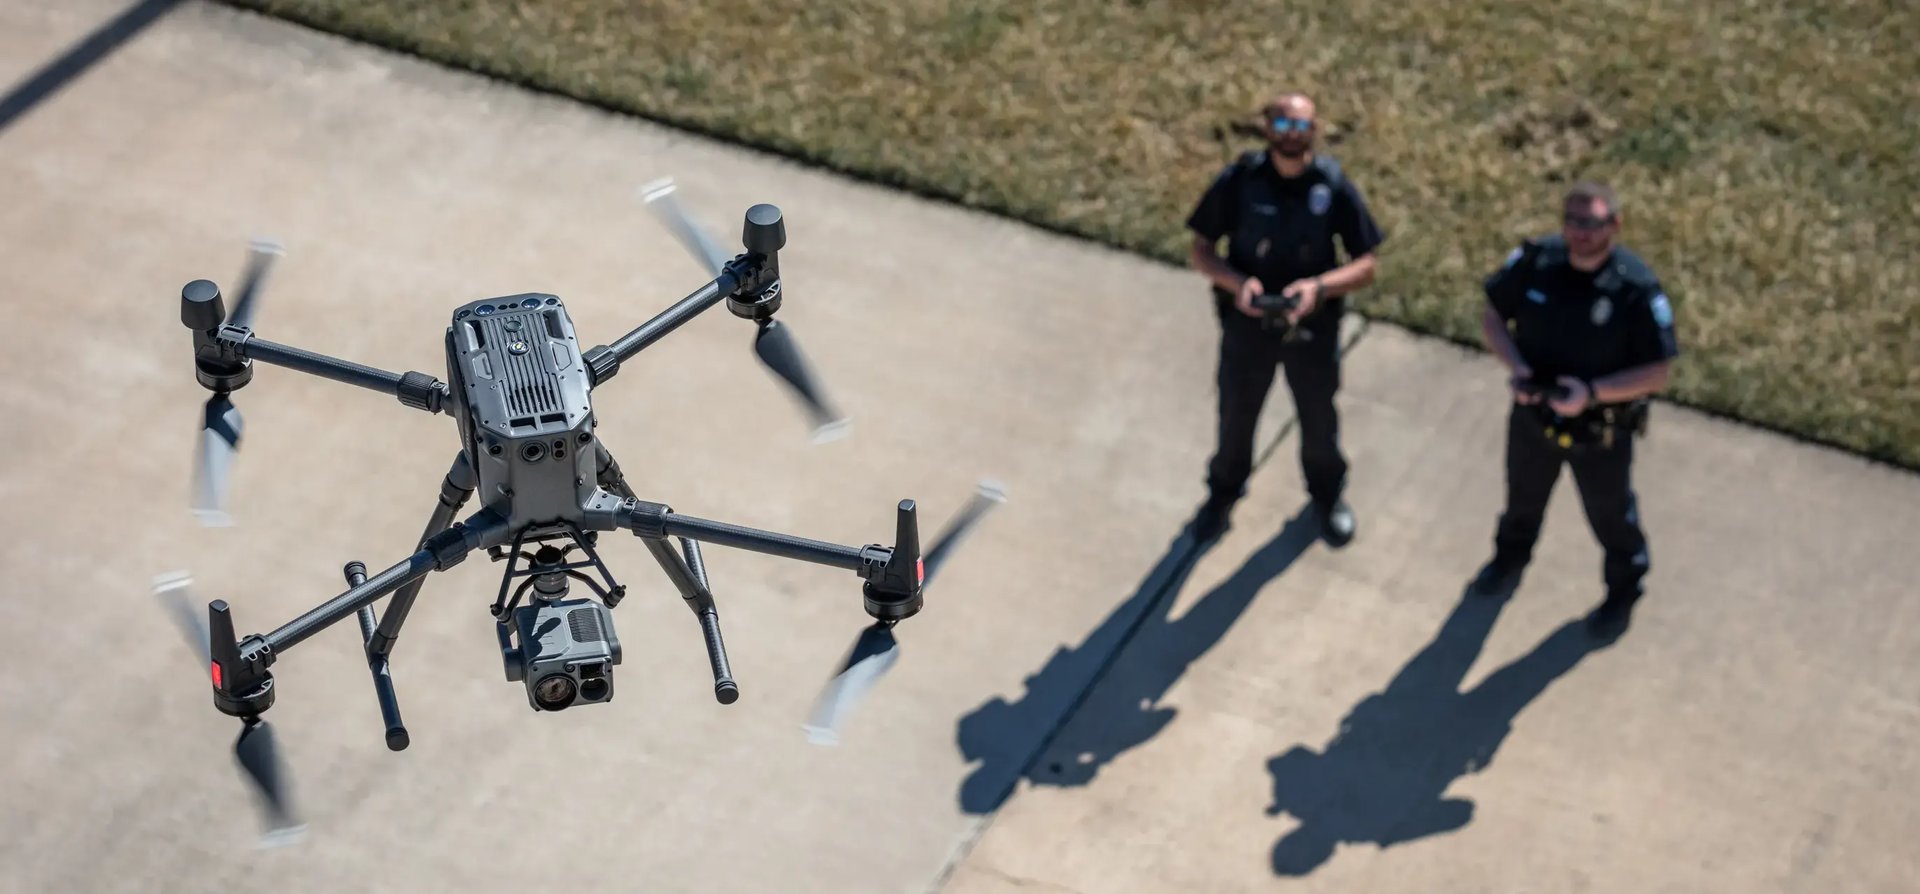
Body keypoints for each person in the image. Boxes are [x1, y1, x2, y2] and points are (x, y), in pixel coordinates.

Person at [1472, 181, 1679, 638]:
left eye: (1592, 223)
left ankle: (1624, 589)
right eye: (1572, 221)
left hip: (1600, 432)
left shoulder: (1634, 288)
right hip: (1533, 417)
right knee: (1522, 499)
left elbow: (1657, 372)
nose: (1580, 233)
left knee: (1611, 516)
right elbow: (1491, 316)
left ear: (1615, 226)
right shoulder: (1536, 262)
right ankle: (1509, 559)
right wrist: (1518, 368)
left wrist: (1592, 393)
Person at [1184, 91, 1386, 545]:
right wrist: (1239, 285)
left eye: (1301, 126)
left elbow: (1366, 264)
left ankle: (1327, 497)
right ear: (1266, 127)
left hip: (1311, 330)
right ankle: (1221, 497)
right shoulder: (1240, 180)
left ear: (1314, 131)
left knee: (1318, 420)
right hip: (1246, 327)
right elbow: (1201, 251)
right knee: (1236, 417)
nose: (1292, 135)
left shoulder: (1331, 185)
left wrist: (1318, 289)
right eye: (1283, 125)